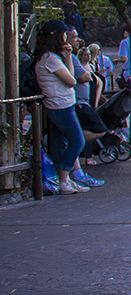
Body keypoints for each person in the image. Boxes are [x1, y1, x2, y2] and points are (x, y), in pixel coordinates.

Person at [33, 22, 96, 194]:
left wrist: (68, 55)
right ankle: (63, 178)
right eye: (63, 34)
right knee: (77, 141)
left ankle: (66, 180)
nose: (65, 37)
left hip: (61, 104)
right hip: (60, 106)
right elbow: (72, 81)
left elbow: (70, 75)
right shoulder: (49, 58)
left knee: (63, 142)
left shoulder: (50, 56)